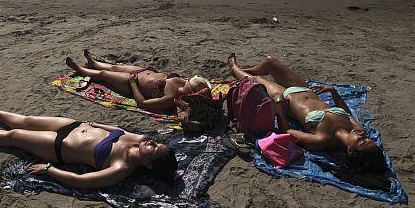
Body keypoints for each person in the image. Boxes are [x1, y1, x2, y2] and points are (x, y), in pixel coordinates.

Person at [0, 100, 178, 188]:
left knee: (15, 136)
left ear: (149, 164)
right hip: (72, 125)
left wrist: (49, 169)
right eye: (156, 142)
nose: (152, 141)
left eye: (154, 148)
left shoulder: (121, 168)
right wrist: (96, 124)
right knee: (26, 119)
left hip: (58, 145)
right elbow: (115, 130)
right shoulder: (138, 140)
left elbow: (80, 181)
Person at [228, 53, 387, 173]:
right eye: (366, 137)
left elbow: (287, 132)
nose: (362, 135)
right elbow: (347, 112)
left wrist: (279, 109)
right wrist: (333, 93)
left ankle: (235, 69)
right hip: (303, 88)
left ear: (350, 151)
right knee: (270, 61)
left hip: (285, 98)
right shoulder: (356, 129)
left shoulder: (322, 140)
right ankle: (250, 70)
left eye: (361, 141)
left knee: (258, 81)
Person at [65, 50, 212, 112]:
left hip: (131, 84)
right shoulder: (181, 82)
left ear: (190, 92)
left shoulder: (170, 99)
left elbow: (143, 104)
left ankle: (80, 69)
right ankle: (93, 63)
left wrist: (134, 84)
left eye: (190, 83)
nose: (187, 81)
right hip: (143, 71)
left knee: (104, 74)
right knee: (115, 67)